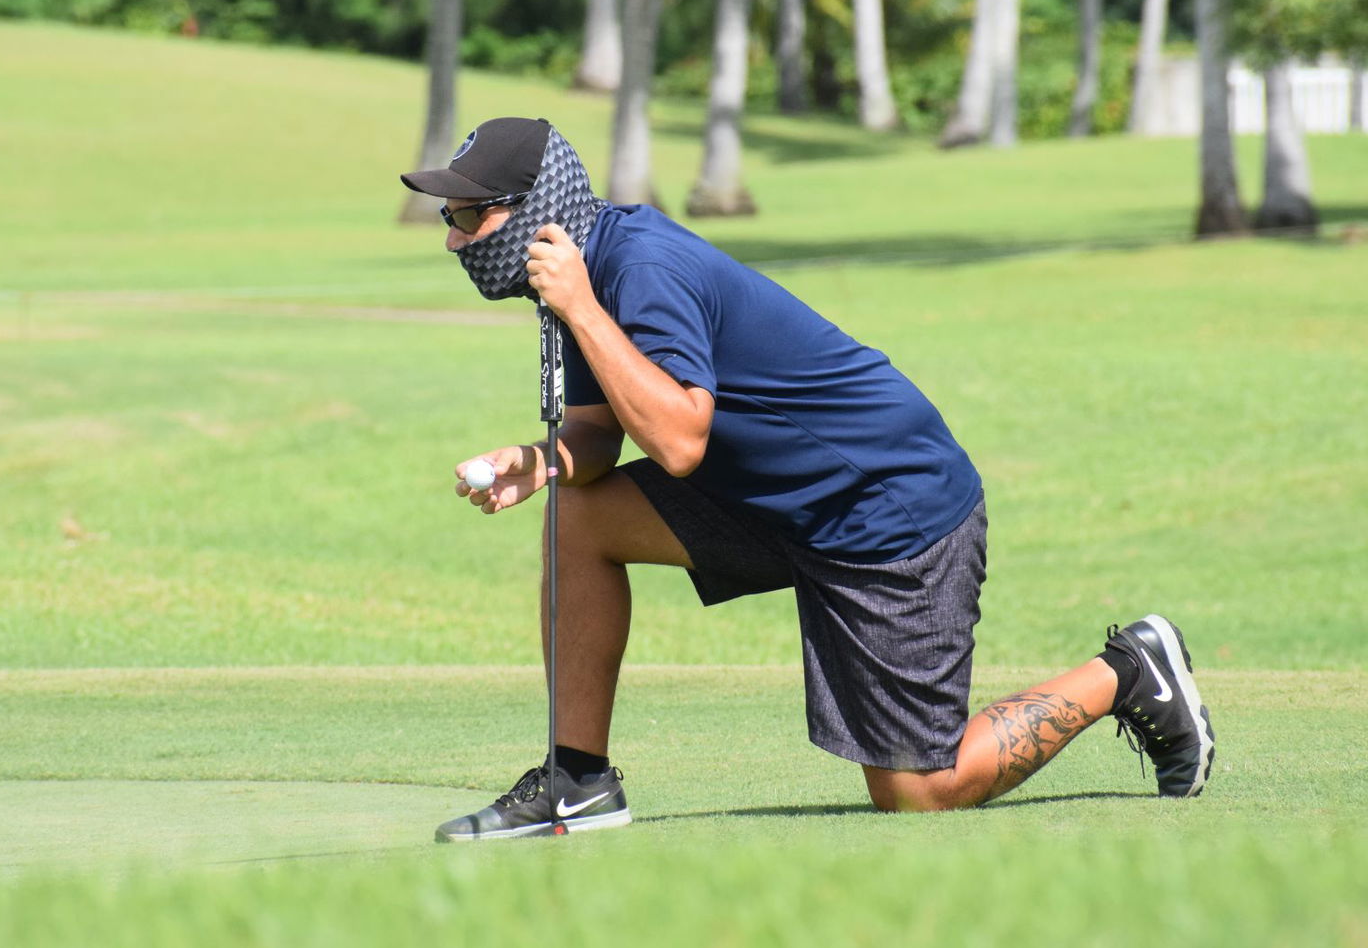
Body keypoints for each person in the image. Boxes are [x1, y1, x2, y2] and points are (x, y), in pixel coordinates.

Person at [400, 117, 1215, 842]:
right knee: (576, 517)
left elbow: (679, 440)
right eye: (451, 217)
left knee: (919, 793)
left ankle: (1126, 672)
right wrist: (540, 462)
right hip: (771, 503)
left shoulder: (632, 268)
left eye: (472, 216)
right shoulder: (576, 274)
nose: (454, 239)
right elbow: (599, 436)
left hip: (889, 512)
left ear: (540, 205)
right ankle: (578, 782)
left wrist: (581, 309)